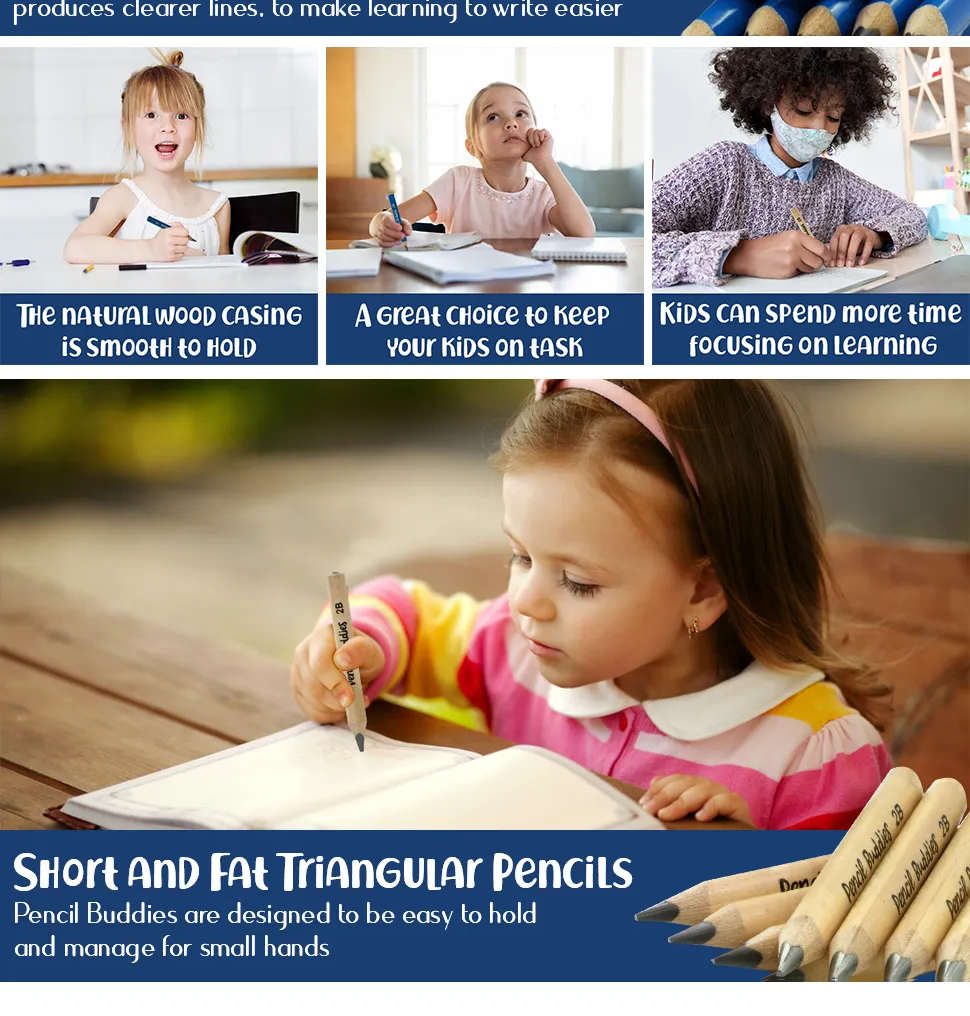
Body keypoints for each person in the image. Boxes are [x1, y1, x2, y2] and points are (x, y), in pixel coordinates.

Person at [291, 376, 892, 829]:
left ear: (703, 590)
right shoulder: (512, 652)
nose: (527, 601)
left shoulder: (816, 757)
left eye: (577, 582)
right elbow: (405, 613)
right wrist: (356, 648)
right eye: (520, 556)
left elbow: (846, 927)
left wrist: (739, 851)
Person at [653, 46, 927, 287]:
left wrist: (875, 234)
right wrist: (739, 255)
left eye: (833, 117)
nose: (819, 127)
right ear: (767, 103)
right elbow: (646, 241)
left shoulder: (836, 181)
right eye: (804, 110)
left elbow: (912, 215)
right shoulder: (725, 165)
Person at [368, 80, 596, 246]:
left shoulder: (543, 194)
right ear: (473, 147)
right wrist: (382, 225)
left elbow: (584, 233)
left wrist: (546, 162)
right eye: (493, 117)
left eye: (521, 114)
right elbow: (383, 218)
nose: (511, 123)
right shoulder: (458, 181)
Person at [63, 51, 230, 265]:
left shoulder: (217, 206)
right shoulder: (123, 198)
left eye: (181, 116)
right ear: (128, 129)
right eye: (151, 115)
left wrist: (203, 261)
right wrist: (151, 249)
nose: (168, 127)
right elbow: (74, 247)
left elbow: (227, 272)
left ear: (198, 128)